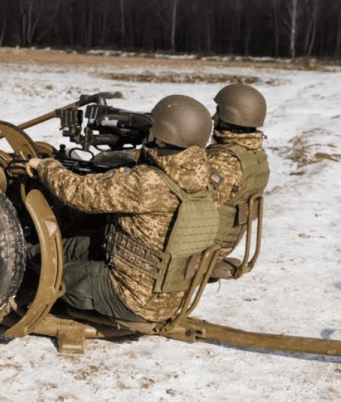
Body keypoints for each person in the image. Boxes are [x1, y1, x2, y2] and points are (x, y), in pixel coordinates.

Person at [27, 95, 218, 323]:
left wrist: (45, 166)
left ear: (164, 132)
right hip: (169, 294)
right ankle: (30, 256)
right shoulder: (204, 178)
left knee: (57, 274)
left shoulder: (148, 183)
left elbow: (79, 193)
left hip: (132, 299)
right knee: (67, 247)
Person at [206, 84, 270, 280]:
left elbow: (190, 202)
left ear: (231, 116)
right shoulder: (255, 156)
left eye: (218, 111)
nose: (213, 117)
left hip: (202, 246)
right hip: (223, 242)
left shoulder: (225, 162)